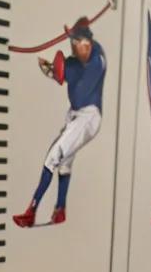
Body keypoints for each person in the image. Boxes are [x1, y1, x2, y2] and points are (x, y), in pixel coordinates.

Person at [13, 16, 107, 227]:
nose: (75, 47)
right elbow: (60, 73)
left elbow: (67, 77)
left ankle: (32, 211)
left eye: (79, 43)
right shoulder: (76, 59)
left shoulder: (96, 62)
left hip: (89, 116)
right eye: (73, 43)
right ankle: (60, 209)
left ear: (88, 43)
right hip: (75, 114)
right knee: (65, 162)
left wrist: (56, 69)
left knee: (53, 156)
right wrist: (49, 66)